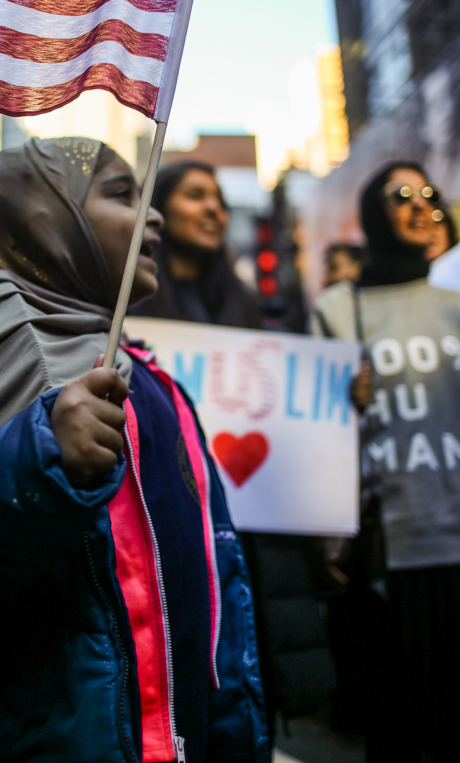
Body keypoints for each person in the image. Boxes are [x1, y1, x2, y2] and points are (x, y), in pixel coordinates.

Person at [0, 138, 269, 763]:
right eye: (121, 194)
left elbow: (213, 588)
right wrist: (39, 462)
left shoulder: (151, 377)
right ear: (38, 219)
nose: (155, 216)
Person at [132, 161, 336, 747]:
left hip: (257, 540)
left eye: (219, 198)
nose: (214, 208)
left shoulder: (251, 306)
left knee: (251, 698)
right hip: (179, 531)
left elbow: (293, 421)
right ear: (160, 212)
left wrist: (341, 397)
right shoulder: (131, 309)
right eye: (196, 195)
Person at [312, 161, 460, 763]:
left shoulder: (455, 302)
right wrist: (338, 396)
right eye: (402, 195)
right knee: (407, 728)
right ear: (374, 212)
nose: (420, 204)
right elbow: (317, 432)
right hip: (392, 550)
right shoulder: (338, 308)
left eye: (429, 193)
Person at [131, 160, 261, 327]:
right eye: (195, 195)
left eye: (221, 201)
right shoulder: (126, 298)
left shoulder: (244, 303)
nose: (214, 208)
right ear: (157, 208)